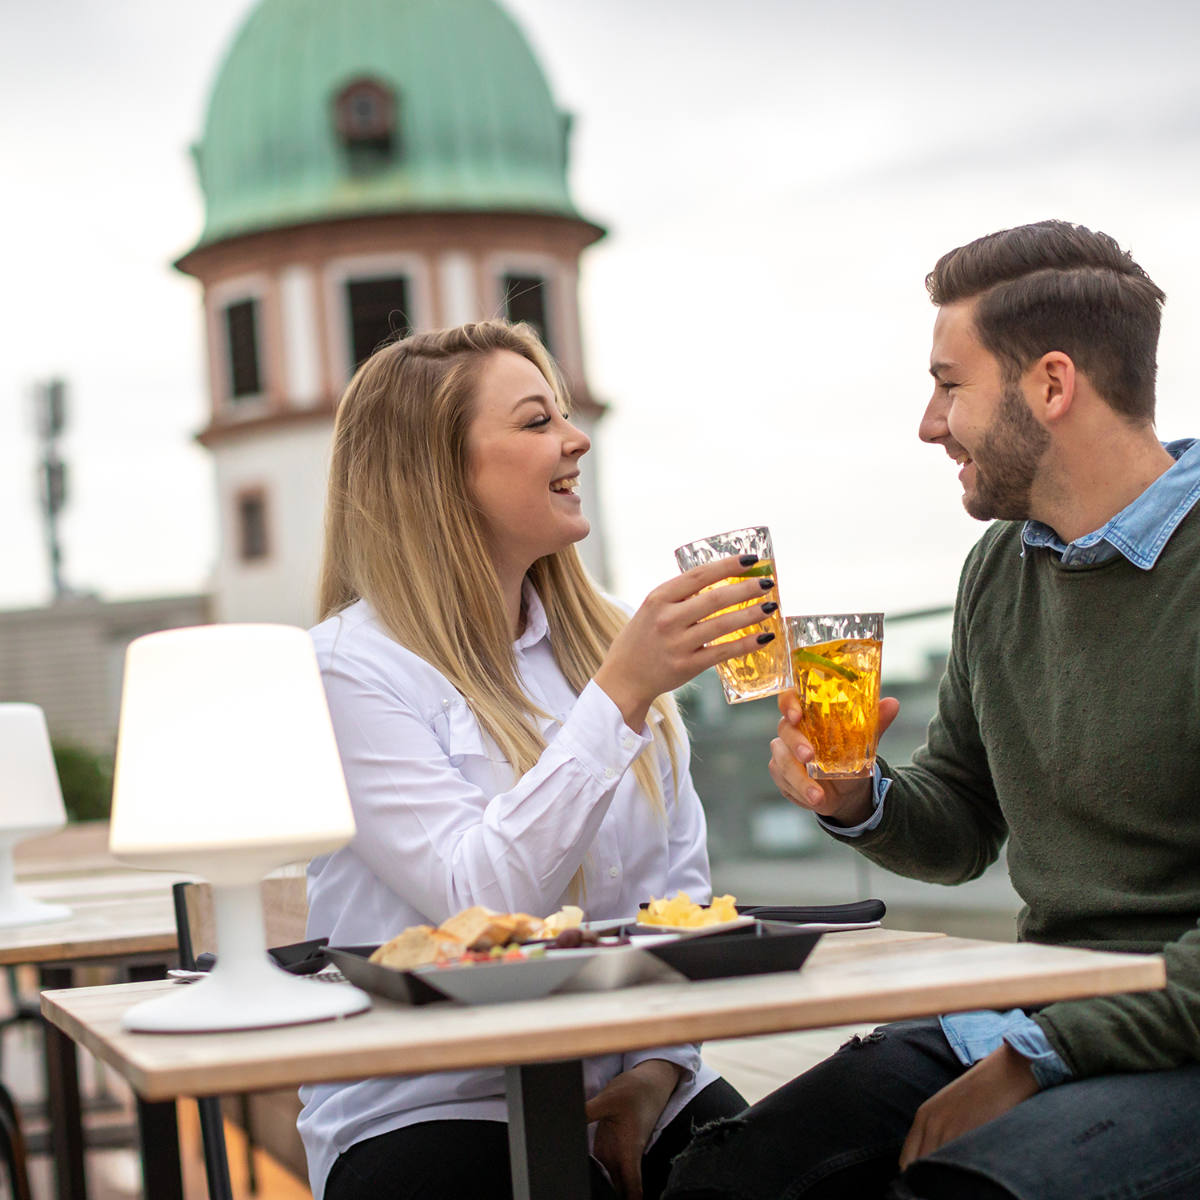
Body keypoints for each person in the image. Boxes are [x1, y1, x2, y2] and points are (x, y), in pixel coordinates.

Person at [662, 220, 1200, 1200]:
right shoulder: (1001, 568)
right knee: (728, 1180)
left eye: (951, 384)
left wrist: (1036, 1057)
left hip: (1175, 1032)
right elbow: (960, 824)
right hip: (1043, 1007)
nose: (927, 422)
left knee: (955, 1190)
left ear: (1050, 385)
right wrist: (854, 794)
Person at [299, 320, 764, 1200]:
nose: (575, 437)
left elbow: (680, 899)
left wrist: (656, 1071)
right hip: (434, 1104)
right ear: (441, 476)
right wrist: (619, 696)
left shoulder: (601, 643)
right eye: (536, 420)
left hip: (632, 1088)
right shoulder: (347, 669)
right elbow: (485, 900)